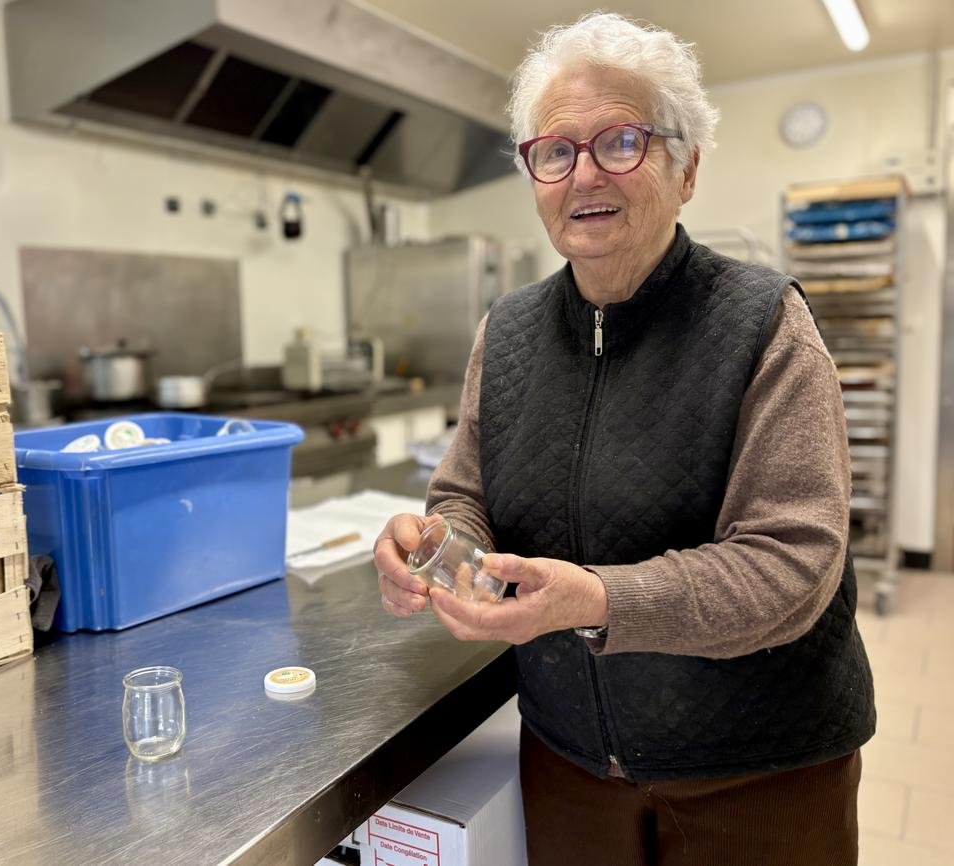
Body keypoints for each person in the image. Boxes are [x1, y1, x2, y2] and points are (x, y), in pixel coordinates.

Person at [374, 12, 873, 866]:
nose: (583, 175)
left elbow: (793, 563)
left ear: (686, 170)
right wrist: (437, 545)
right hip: (570, 765)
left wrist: (600, 601)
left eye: (621, 141)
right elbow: (465, 496)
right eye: (555, 150)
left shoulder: (763, 323)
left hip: (758, 772)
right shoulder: (511, 331)